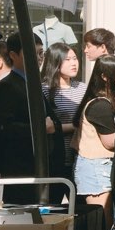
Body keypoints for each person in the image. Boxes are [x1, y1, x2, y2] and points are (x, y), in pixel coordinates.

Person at [0, 33, 64, 203]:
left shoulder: (33, 85)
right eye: (32, 53)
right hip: (20, 173)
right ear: (13, 55)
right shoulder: (6, 87)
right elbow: (2, 128)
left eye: (40, 53)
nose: (38, 58)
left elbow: (53, 122)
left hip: (44, 170)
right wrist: (39, 127)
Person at [72, 55, 115, 230]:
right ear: (104, 76)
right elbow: (110, 142)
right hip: (95, 166)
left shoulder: (102, 101)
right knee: (101, 223)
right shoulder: (100, 105)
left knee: (103, 222)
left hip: (97, 166)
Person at [41, 42, 86, 181]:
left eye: (75, 58)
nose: (74, 63)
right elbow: (46, 127)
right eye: (67, 59)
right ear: (55, 62)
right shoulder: (44, 90)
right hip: (57, 157)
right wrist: (77, 126)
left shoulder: (82, 88)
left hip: (81, 157)